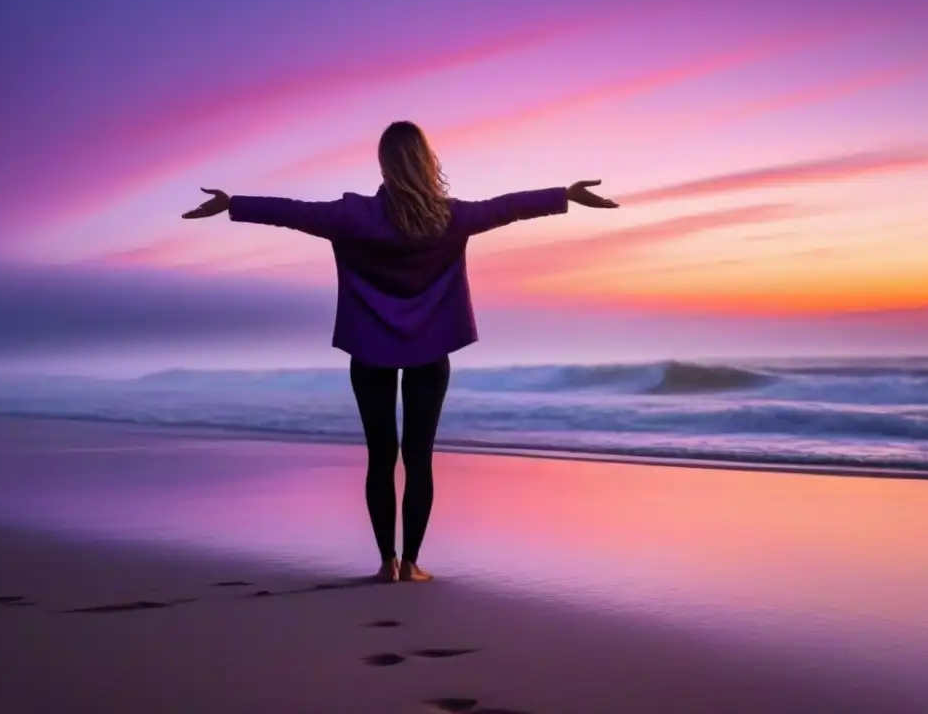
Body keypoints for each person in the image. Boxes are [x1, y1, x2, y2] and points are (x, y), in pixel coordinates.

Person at [181, 121, 618, 583]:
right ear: (426, 161)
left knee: (381, 456)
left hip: (369, 348)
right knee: (418, 458)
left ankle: (386, 563)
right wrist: (564, 196)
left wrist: (233, 203)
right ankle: (411, 565)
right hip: (431, 349)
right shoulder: (450, 217)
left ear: (385, 165)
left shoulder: (352, 217)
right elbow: (506, 209)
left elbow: (293, 212)